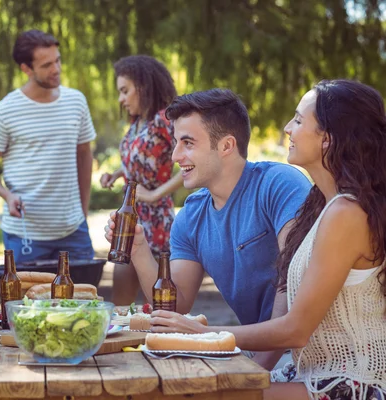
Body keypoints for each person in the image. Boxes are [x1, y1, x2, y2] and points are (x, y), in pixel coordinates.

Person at [149, 79, 386, 399]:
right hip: (312, 371)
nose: (288, 127)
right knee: (196, 387)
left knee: (210, 395)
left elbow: (296, 329)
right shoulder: (325, 203)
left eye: (300, 120)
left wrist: (203, 334)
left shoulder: (345, 212)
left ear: (327, 139)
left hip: (355, 381)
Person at [104, 88, 312, 369]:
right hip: (258, 353)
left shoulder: (280, 185)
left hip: (308, 355)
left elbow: (294, 279)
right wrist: (139, 251)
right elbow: (176, 307)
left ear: (226, 146)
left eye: (187, 143)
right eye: (177, 143)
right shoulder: (191, 215)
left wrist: (258, 372)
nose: (176, 156)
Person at [0, 29, 96, 263]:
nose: (56, 69)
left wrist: (83, 211)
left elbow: (84, 156)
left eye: (58, 60)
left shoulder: (76, 102)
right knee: (24, 301)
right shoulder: (4, 112)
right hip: (24, 236)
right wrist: (6, 195)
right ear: (26, 69)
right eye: (47, 65)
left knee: (85, 299)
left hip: (74, 231)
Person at [101, 55, 184, 305]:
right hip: (130, 219)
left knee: (161, 303)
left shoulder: (165, 119)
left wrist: (155, 194)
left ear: (144, 86)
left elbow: (189, 165)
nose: (121, 99)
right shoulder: (138, 123)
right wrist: (118, 173)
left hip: (157, 222)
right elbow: (142, 160)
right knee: (121, 305)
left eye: (125, 91)